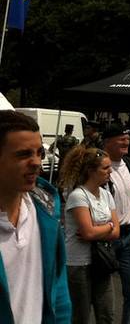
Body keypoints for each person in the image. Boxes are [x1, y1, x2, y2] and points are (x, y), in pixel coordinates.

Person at [0, 110, 71, 324]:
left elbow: (58, 291)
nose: (37, 162)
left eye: (39, 152)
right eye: (23, 154)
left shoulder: (45, 209)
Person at [60, 147, 119, 324]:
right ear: (91, 171)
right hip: (79, 264)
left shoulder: (107, 195)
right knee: (80, 316)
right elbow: (87, 231)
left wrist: (103, 228)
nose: (110, 171)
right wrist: (106, 228)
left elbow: (116, 231)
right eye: (105, 168)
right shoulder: (78, 196)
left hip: (101, 262)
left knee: (106, 314)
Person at [102, 124, 130, 324]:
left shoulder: (129, 164)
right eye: (121, 138)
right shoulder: (99, 166)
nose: (127, 141)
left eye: (128, 138)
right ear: (107, 142)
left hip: (129, 238)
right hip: (106, 238)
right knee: (102, 300)